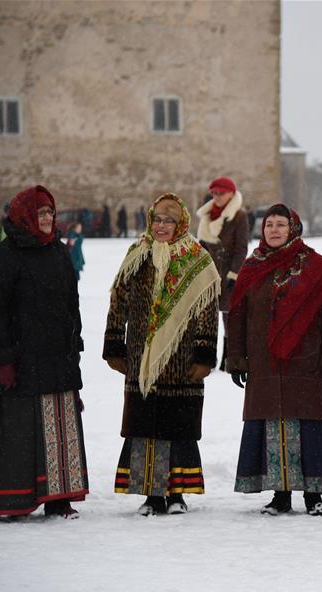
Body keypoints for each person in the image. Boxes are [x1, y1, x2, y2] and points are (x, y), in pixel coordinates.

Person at [0, 185, 88, 518]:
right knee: (18, 429)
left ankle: (58, 497)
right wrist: (4, 357)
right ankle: (12, 499)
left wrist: (74, 342)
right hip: (19, 358)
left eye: (50, 211)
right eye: (41, 213)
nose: (48, 218)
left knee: (57, 428)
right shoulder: (4, 258)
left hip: (56, 357)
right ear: (25, 216)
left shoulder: (59, 252)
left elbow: (71, 303)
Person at [104, 193, 220, 516]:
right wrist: (114, 344)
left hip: (182, 362)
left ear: (181, 223)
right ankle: (152, 495)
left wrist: (205, 354)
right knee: (145, 427)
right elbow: (118, 303)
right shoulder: (137, 255)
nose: (162, 226)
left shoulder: (198, 259)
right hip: (141, 359)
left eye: (169, 221)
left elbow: (208, 311)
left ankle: (177, 493)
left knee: (178, 427)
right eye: (157, 219)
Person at [227, 204, 322, 516]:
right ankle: (280, 495)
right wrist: (236, 357)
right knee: (270, 425)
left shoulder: (316, 266)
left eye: (281, 224)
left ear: (293, 228)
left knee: (307, 426)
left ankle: (314, 495)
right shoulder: (252, 267)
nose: (274, 230)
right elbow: (237, 315)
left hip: (305, 361)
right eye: (269, 225)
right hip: (263, 362)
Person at [196, 177, 250, 372]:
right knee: (206, 317)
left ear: (231, 194)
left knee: (229, 317)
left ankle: (230, 357)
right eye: (214, 193)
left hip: (229, 274)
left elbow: (241, 248)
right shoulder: (207, 215)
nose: (217, 197)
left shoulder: (239, 216)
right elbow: (202, 246)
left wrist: (234, 274)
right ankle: (207, 357)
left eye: (221, 193)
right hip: (209, 273)